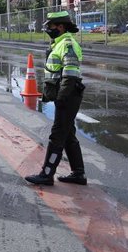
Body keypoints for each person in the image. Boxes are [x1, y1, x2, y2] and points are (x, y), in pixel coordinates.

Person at [25, 11, 87, 186]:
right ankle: (78, 173)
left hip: (68, 96)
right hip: (66, 95)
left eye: (50, 26)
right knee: (68, 135)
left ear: (60, 27)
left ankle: (46, 174)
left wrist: (62, 97)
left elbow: (70, 74)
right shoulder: (58, 43)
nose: (48, 29)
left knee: (57, 135)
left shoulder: (67, 44)